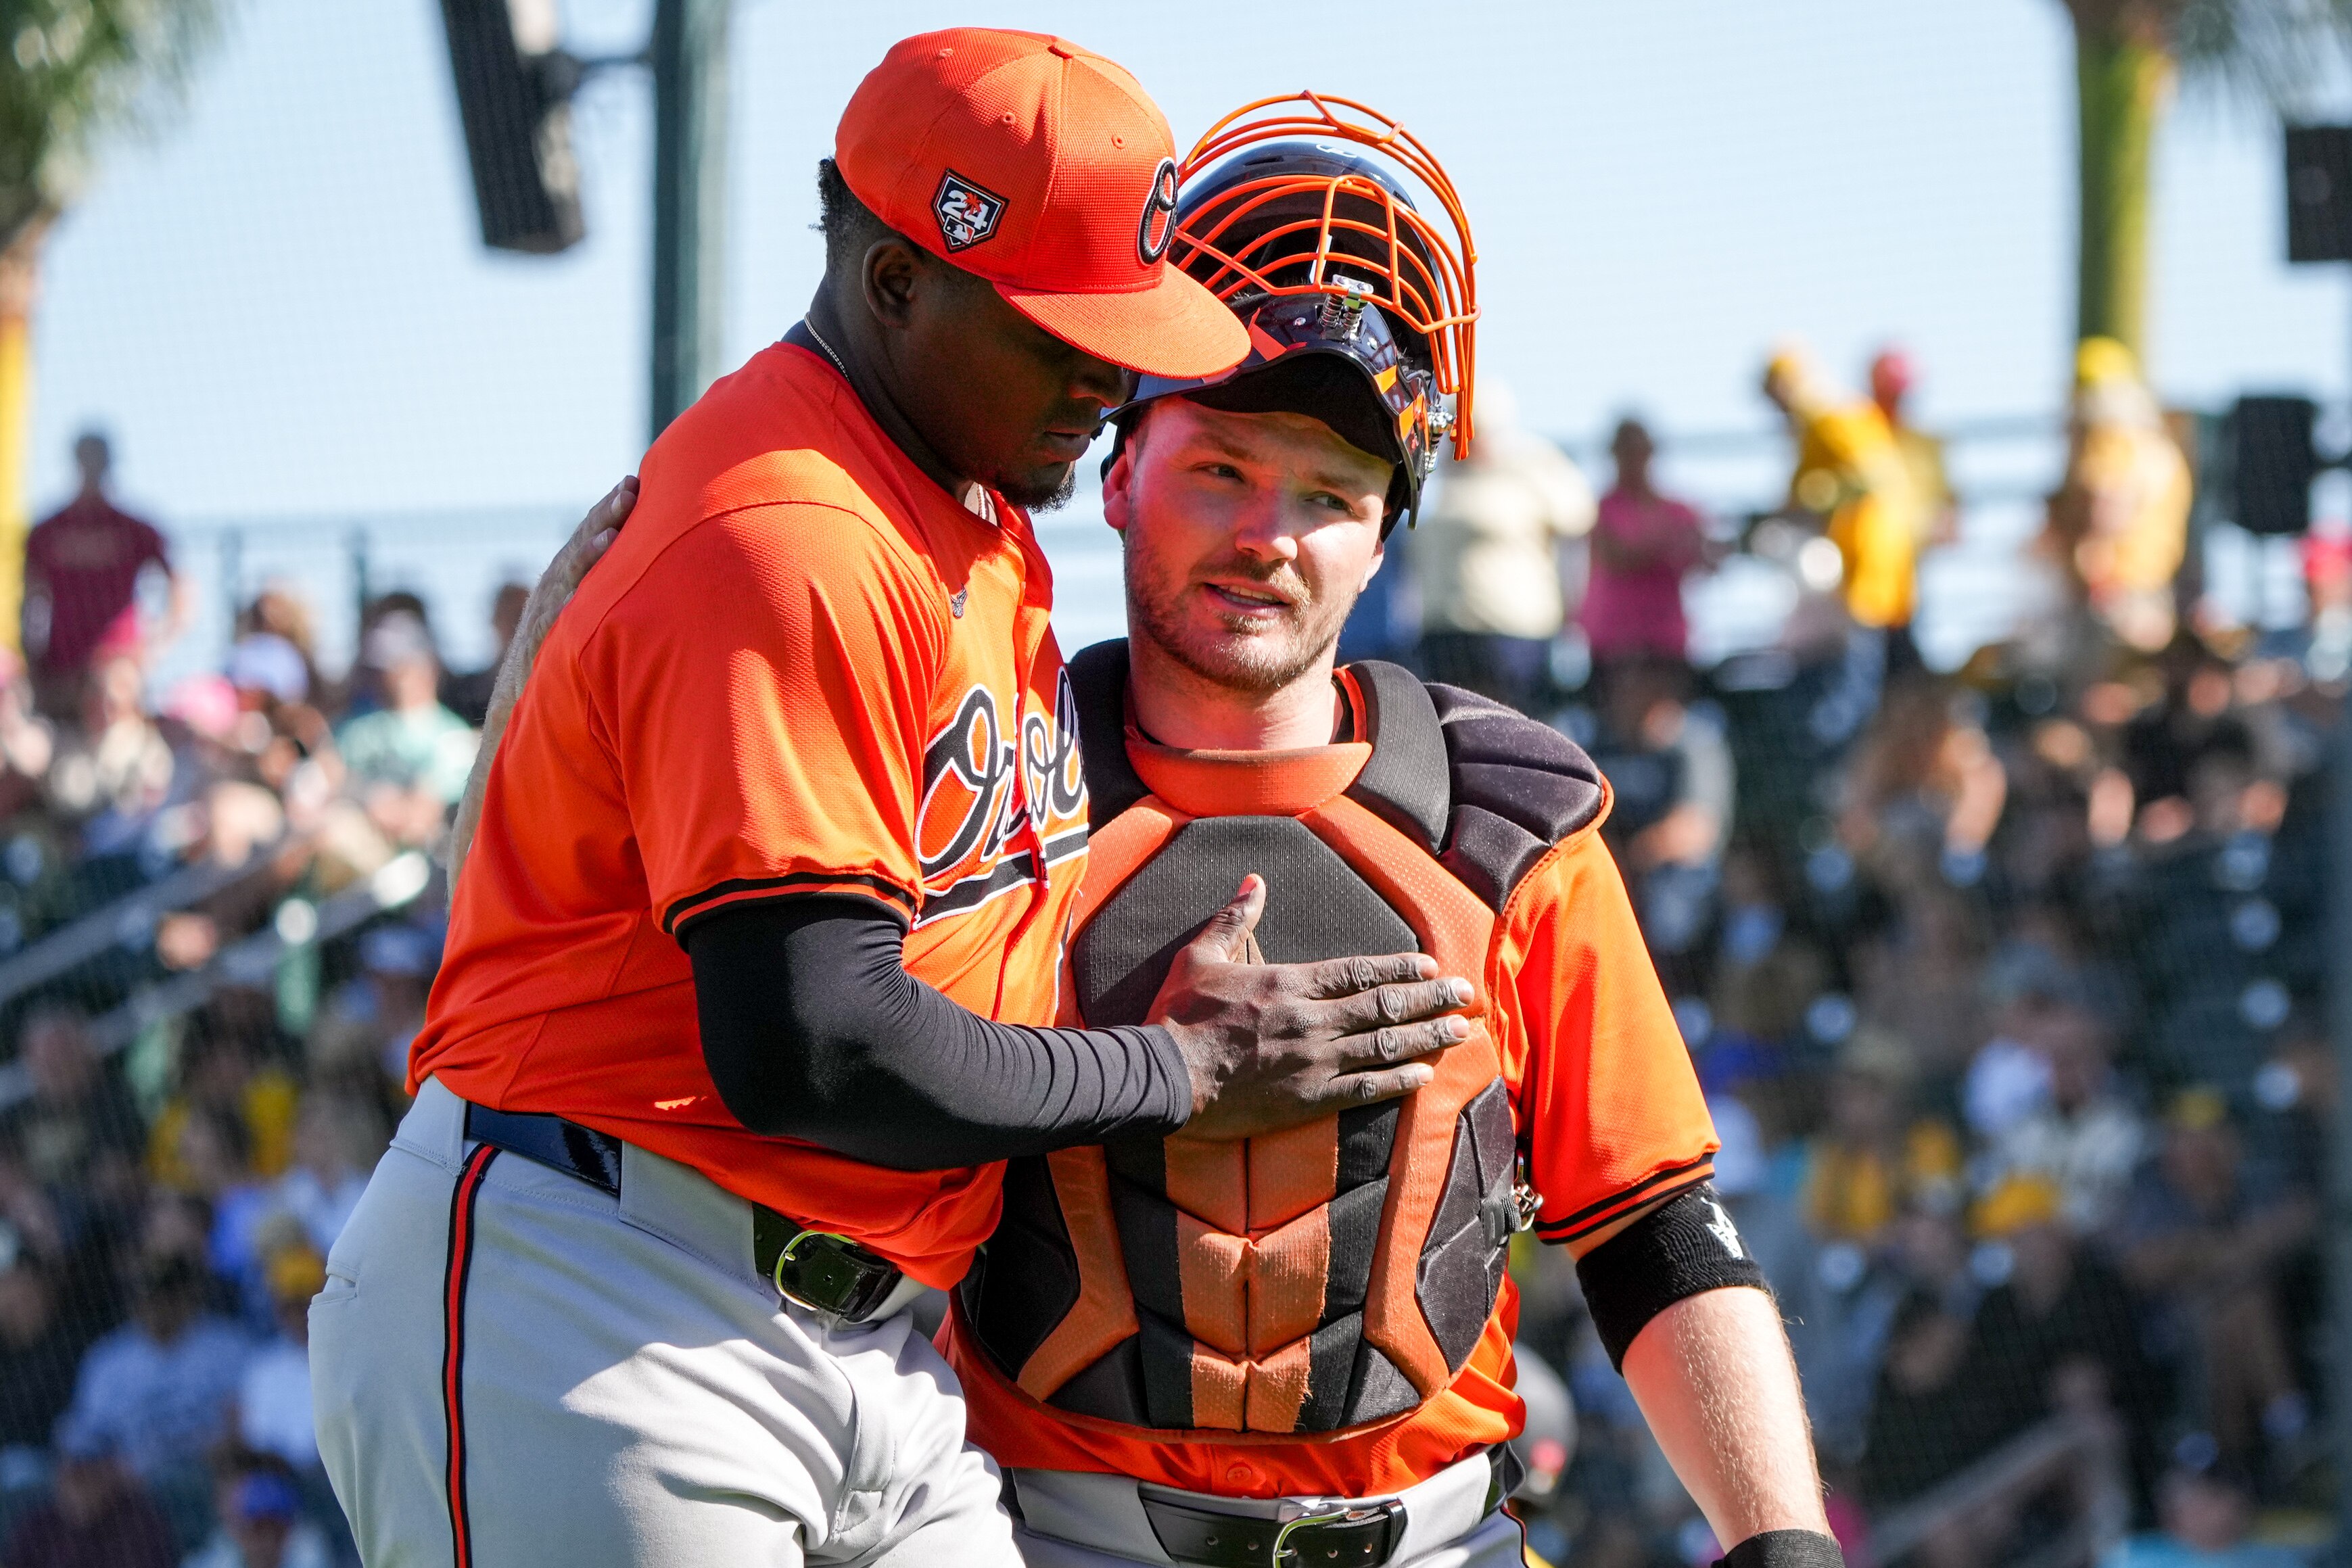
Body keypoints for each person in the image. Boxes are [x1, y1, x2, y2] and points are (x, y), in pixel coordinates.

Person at [319, 32, 1472, 1568]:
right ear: (889, 282)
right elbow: (811, 1040)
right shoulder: (796, 525)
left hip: (861, 1345)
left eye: (1120, 328)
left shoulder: (961, 504)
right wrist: (1177, 1068)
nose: (1103, 376)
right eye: (1057, 332)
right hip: (613, 1306)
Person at [934, 101, 1832, 1568]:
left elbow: (1652, 1224)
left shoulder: (1512, 825)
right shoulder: (987, 788)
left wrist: (1780, 1543)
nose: (1267, 532)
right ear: (1118, 474)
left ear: (1382, 533)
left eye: (1330, 495)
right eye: (1218, 466)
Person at [1409, 382, 1594, 713]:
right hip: (1445, 634)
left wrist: (1573, 612)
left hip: (1515, 637)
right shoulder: (1436, 475)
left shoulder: (1534, 466)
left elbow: (1579, 530)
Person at [1760, 346, 1921, 655]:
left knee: (1852, 678)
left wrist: (1810, 496)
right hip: (1854, 574)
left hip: (1861, 565)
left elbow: (1872, 479)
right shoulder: (1824, 422)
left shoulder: (1831, 417)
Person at [20, 431, 185, 719]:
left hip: (119, 673)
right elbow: (30, 600)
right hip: (61, 673)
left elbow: (181, 589)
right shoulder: (47, 531)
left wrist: (153, 649)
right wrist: (34, 663)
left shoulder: (136, 530)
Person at [1582, 417, 1709, 667]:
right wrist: (1667, 544)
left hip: (1665, 638)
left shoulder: (1680, 510)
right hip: (1613, 638)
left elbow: (1703, 558)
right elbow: (1614, 556)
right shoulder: (1599, 509)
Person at [0, 1425, 177, 1568]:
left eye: (87, 1471)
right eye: (69, 1470)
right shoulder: (38, 1524)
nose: (76, 1483)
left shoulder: (140, 1522)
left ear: (111, 1471)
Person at [1866, 348, 1956, 550]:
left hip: (1911, 554)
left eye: (1897, 395)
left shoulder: (1928, 446)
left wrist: (1941, 525)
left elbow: (1951, 511)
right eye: (1887, 394)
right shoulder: (1856, 438)